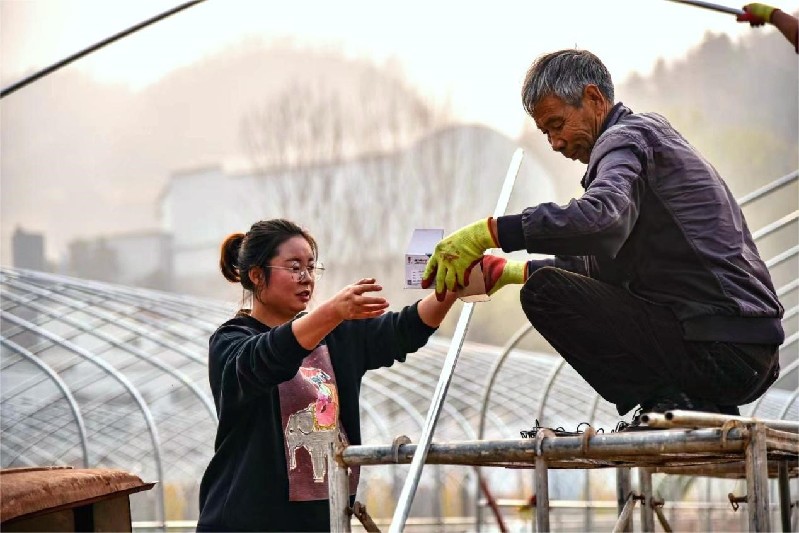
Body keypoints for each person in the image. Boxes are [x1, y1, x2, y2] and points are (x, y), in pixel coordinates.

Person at [422, 49, 784, 427]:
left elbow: (600, 219)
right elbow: (599, 265)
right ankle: (698, 404)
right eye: (546, 133)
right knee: (545, 281)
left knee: (545, 294)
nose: (556, 143)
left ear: (594, 99)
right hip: (746, 351)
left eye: (557, 124)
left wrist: (491, 232)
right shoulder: (648, 141)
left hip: (719, 345)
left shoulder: (624, 140)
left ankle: (668, 399)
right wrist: (511, 271)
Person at [197, 218, 457, 532]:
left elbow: (402, 330)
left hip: (324, 521)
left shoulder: (335, 337)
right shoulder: (231, 343)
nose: (306, 278)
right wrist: (332, 312)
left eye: (310, 267)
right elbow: (268, 358)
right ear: (256, 275)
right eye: (293, 267)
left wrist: (452, 290)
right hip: (248, 522)